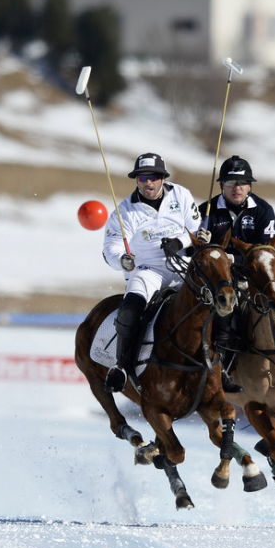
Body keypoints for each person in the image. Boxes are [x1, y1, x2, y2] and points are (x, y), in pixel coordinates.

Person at [197, 155, 275, 392]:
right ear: (221, 184)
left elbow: (267, 252)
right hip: (224, 280)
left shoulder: (263, 210)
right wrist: (202, 245)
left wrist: (230, 257)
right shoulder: (206, 211)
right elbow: (197, 255)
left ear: (249, 186)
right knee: (224, 318)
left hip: (260, 275)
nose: (237, 188)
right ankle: (221, 367)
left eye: (242, 183)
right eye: (231, 182)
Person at [102, 152, 202, 393]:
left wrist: (179, 242)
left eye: (154, 177)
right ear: (137, 180)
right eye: (143, 177)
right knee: (129, 309)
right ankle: (122, 366)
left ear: (163, 179)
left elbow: (198, 230)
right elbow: (110, 248)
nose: (148, 182)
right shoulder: (125, 211)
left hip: (182, 266)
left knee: (215, 300)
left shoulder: (181, 195)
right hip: (147, 270)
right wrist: (122, 260)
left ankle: (225, 363)